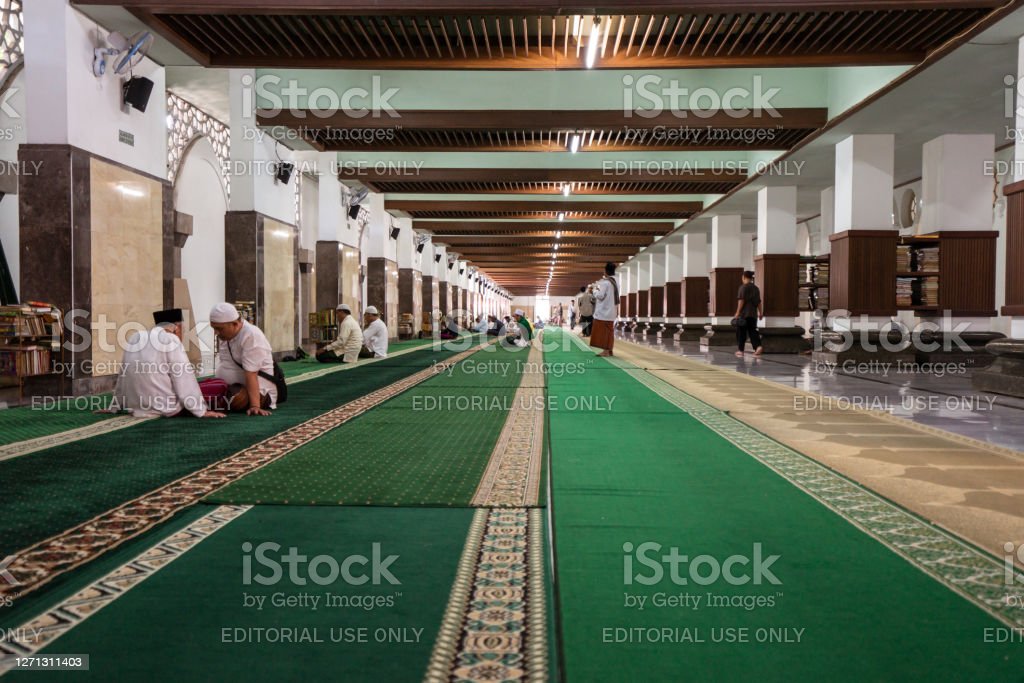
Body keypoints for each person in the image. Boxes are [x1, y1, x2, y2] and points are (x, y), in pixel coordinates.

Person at [111, 308, 226, 419]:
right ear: (177, 329)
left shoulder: (135, 337)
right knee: (219, 385)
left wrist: (115, 406)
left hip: (137, 407)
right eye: (183, 331)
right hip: (166, 408)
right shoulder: (170, 339)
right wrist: (201, 411)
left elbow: (123, 374)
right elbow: (184, 378)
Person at [209, 302, 277, 416]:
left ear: (235, 324)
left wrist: (255, 406)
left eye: (219, 328)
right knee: (198, 390)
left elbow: (251, 373)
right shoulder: (225, 335)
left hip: (258, 392)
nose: (216, 332)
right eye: (214, 328)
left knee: (235, 397)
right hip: (230, 387)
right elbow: (225, 363)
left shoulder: (251, 335)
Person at [590, 262, 619, 357]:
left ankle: (605, 351)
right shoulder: (616, 282)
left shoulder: (605, 283)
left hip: (603, 312)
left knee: (602, 333)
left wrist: (594, 291)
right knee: (609, 332)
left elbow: (600, 296)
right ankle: (609, 350)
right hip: (612, 311)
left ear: (605, 271)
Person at [734, 270, 764, 357]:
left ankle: (740, 350)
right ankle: (758, 347)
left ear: (743, 277)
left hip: (743, 314)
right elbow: (758, 302)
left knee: (741, 332)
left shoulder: (743, 287)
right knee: (753, 331)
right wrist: (760, 313)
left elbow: (741, 301)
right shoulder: (756, 288)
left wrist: (737, 312)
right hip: (753, 314)